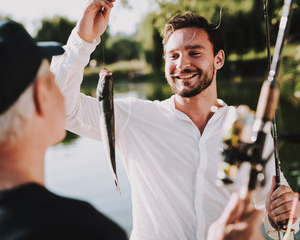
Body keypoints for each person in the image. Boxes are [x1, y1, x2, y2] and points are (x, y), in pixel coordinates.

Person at [50, 3, 300, 239]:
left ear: (219, 59)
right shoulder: (135, 119)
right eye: (173, 55)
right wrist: (84, 38)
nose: (182, 64)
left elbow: (280, 226)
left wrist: (282, 213)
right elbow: (62, 106)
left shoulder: (250, 129)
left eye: (194, 52)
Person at [0, 2, 128, 240]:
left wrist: (82, 40)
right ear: (41, 97)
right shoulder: (87, 231)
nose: (59, 90)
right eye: (50, 79)